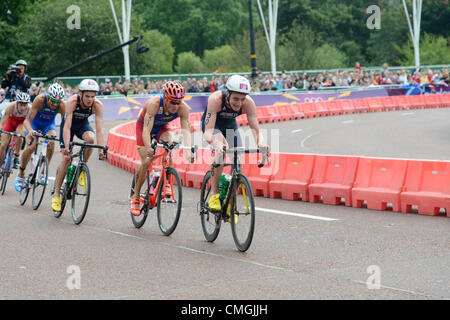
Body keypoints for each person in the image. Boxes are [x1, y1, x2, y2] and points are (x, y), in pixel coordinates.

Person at [201, 74, 266, 212]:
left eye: (242, 99)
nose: (239, 103)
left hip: (231, 126)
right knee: (222, 151)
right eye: (235, 98)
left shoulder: (248, 103)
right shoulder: (215, 99)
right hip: (213, 126)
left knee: (238, 160)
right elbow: (208, 132)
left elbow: (255, 129)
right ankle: (214, 195)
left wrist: (261, 143)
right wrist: (216, 144)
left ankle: (231, 203)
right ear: (228, 93)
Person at [130, 81, 194, 216]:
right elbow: (146, 130)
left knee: (170, 143)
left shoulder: (183, 108)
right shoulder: (154, 104)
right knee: (147, 161)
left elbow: (186, 130)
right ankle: (135, 196)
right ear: (165, 98)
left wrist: (189, 149)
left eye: (178, 102)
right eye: (172, 102)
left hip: (161, 128)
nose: (176, 106)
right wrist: (148, 147)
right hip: (144, 128)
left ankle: (167, 182)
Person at [51, 79, 106, 212]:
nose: (90, 99)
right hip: (68, 127)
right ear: (80, 94)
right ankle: (57, 195)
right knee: (66, 158)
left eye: (92, 96)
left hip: (82, 125)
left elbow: (99, 130)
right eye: (87, 96)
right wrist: (65, 147)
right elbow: (67, 127)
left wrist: (101, 149)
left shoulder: (97, 105)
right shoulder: (72, 102)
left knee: (91, 140)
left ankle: (81, 168)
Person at [15, 83, 66, 191]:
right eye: (52, 101)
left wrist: (64, 140)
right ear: (48, 96)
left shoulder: (61, 105)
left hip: (48, 125)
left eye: (57, 102)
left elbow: (64, 125)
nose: (54, 104)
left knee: (52, 142)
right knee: (31, 147)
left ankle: (43, 173)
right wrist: (30, 131)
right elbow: (27, 121)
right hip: (35, 124)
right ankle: (20, 173)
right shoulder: (40, 99)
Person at [0, 92, 31, 169]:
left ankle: (16, 156)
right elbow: (3, 122)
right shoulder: (11, 106)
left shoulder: (30, 109)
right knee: (3, 145)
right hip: (10, 122)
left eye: (25, 105)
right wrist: (1, 130)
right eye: (21, 105)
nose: (23, 108)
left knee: (20, 135)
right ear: (17, 103)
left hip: (21, 123)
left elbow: (29, 123)